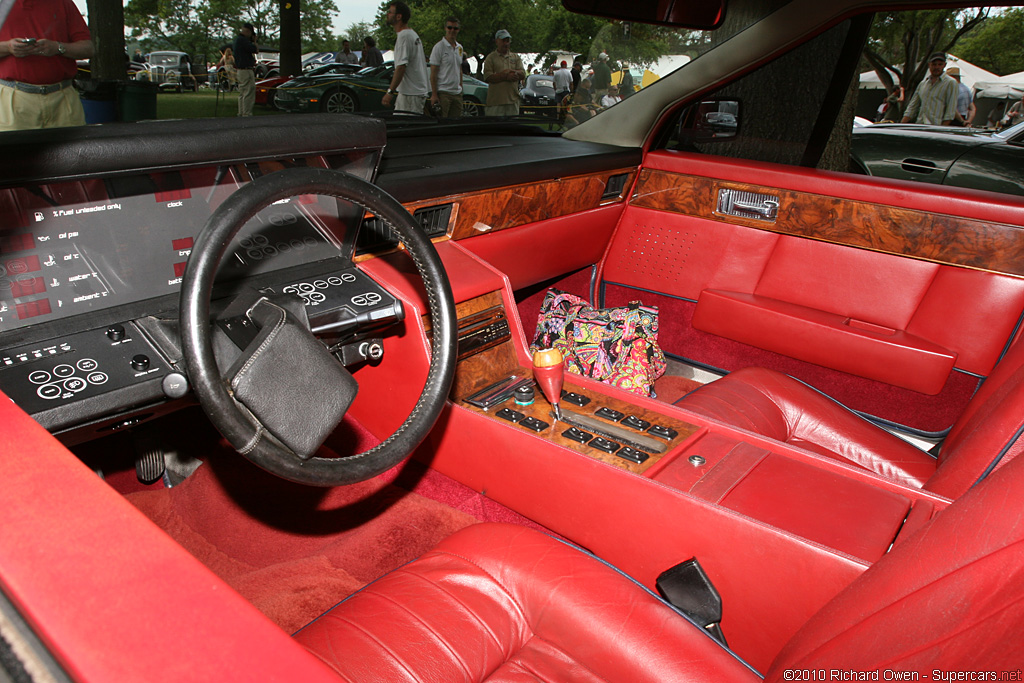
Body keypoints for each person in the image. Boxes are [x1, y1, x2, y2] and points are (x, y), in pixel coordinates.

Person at [0, 0, 93, 131]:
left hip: (63, 101)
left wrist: (58, 47)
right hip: (12, 103)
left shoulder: (63, 3)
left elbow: (88, 49)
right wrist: (8, 47)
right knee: (16, 151)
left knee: (72, 151)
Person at [381, 1, 429, 114]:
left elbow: (401, 67)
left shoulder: (404, 36)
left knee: (405, 127)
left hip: (410, 94)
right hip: (413, 92)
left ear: (399, 16)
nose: (387, 14)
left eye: (390, 12)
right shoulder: (411, 34)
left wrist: (390, 92)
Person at [901, 52, 957, 126]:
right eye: (934, 64)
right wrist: (901, 125)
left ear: (944, 65)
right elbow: (912, 108)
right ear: (929, 65)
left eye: (940, 64)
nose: (937, 67)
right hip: (921, 126)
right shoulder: (923, 84)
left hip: (936, 127)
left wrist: (942, 131)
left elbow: (950, 112)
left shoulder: (950, 82)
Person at [482, 29, 525, 117]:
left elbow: (523, 74)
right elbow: (488, 77)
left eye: (508, 41)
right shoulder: (490, 58)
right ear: (497, 41)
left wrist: (513, 72)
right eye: (503, 41)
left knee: (512, 129)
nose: (506, 43)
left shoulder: (515, 57)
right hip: (495, 103)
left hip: (513, 102)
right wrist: (505, 76)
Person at [429, 16, 464, 118]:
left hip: (457, 93)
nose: (452, 30)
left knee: (455, 124)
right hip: (443, 92)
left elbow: (459, 69)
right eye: (450, 27)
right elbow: (433, 73)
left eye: (455, 28)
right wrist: (434, 94)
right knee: (442, 123)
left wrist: (461, 87)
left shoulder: (459, 48)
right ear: (445, 28)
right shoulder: (439, 47)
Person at [233, 22, 258, 117]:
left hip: (240, 70)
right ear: (248, 32)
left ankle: (241, 112)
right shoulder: (243, 41)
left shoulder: (237, 40)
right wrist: (254, 41)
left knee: (242, 92)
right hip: (246, 70)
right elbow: (255, 50)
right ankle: (246, 113)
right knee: (249, 91)